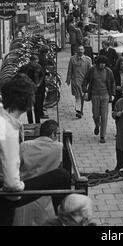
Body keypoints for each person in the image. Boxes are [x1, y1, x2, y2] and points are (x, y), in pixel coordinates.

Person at [0, 74, 71, 226]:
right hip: (6, 195)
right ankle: (65, 221)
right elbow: (12, 185)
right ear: (28, 100)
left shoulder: (4, 118)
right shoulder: (8, 129)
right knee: (62, 176)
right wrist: (22, 185)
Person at [13, 119, 63, 226]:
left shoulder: (24, 146)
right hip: (45, 199)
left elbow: (14, 169)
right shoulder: (59, 147)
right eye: (57, 134)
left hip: (24, 198)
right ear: (53, 134)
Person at [83, 55, 116, 143]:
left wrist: (112, 94)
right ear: (98, 63)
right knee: (96, 114)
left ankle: (102, 136)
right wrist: (85, 91)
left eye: (104, 64)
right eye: (101, 63)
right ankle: (97, 125)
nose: (102, 65)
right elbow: (85, 80)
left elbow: (112, 83)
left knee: (104, 116)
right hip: (95, 95)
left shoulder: (108, 71)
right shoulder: (92, 70)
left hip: (105, 95)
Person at [66, 45, 92, 119]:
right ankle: (79, 111)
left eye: (81, 49)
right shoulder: (72, 59)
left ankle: (80, 110)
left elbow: (90, 71)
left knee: (82, 96)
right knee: (78, 96)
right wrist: (68, 79)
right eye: (79, 49)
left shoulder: (88, 60)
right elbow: (70, 69)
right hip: (75, 81)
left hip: (84, 82)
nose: (80, 51)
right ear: (77, 51)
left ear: (84, 51)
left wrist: (90, 81)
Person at [18, 54, 44, 124]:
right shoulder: (25, 68)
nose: (36, 64)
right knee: (29, 107)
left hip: (36, 90)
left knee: (37, 107)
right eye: (34, 62)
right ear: (31, 61)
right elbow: (19, 76)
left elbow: (42, 75)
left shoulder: (39, 67)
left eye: (37, 62)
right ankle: (30, 122)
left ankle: (37, 122)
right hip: (28, 90)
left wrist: (39, 83)